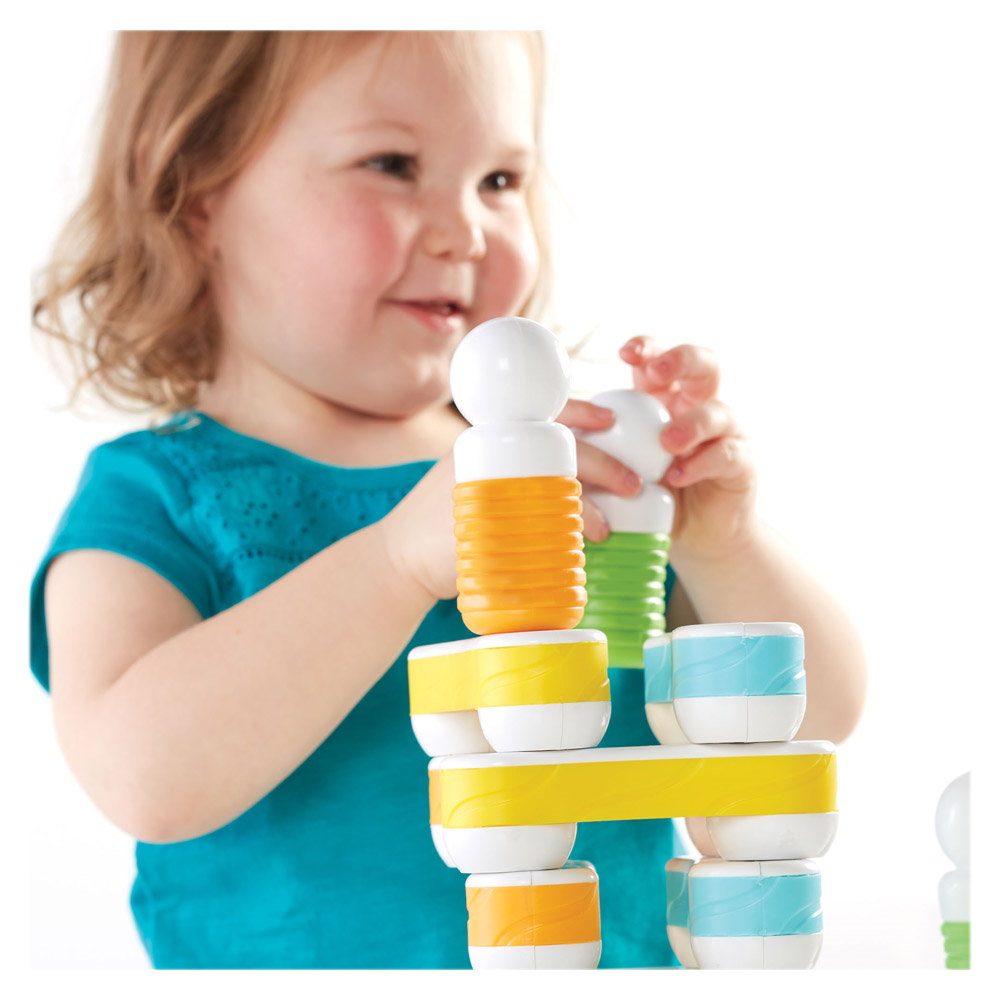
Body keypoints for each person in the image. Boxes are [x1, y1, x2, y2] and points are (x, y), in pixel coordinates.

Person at [30, 30, 866, 970]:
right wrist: (395, 564)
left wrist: (723, 544)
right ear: (193, 191)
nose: (465, 230)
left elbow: (818, 718)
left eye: (499, 181)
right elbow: (146, 778)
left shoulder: (567, 479)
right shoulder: (154, 495)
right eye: (392, 164)